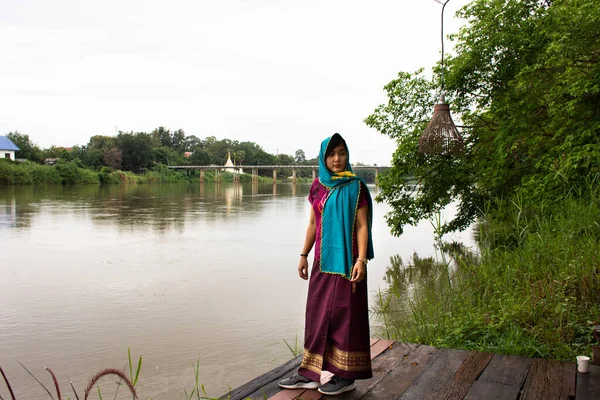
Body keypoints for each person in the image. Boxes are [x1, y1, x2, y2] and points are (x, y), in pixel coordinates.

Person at [278, 133, 374, 396]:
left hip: (348, 262)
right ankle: (309, 373)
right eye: (331, 154)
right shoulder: (319, 186)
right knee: (317, 313)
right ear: (323, 157)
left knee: (346, 315)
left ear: (347, 155)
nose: (336, 159)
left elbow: (363, 225)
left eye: (341, 153)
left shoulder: (356, 187)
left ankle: (346, 376)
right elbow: (312, 224)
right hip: (322, 259)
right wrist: (303, 254)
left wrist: (361, 261)